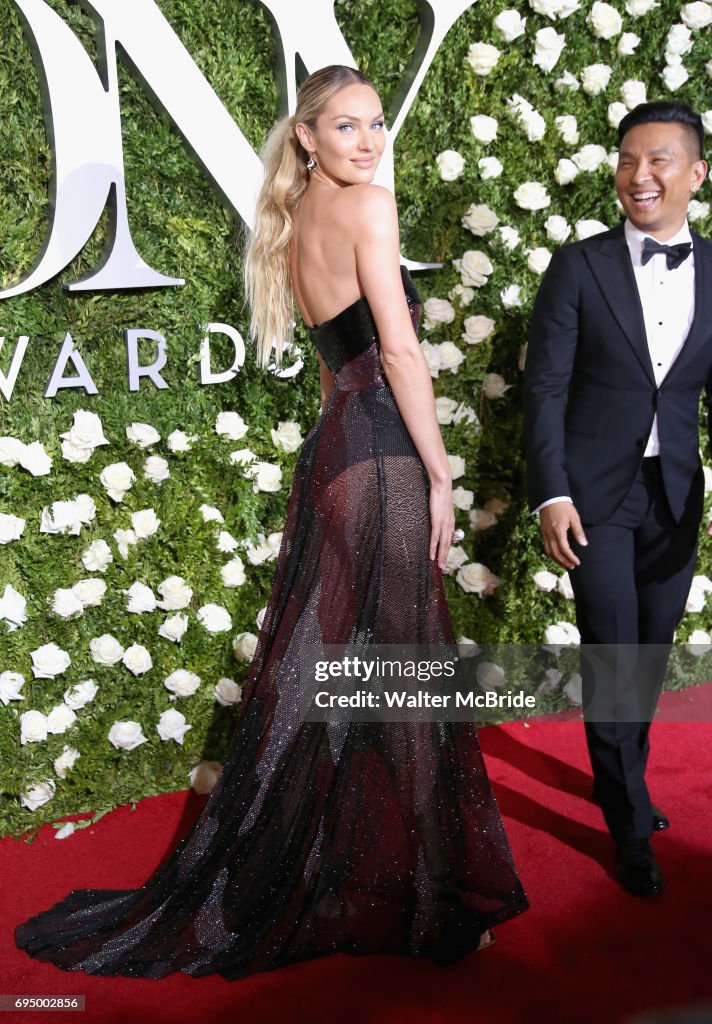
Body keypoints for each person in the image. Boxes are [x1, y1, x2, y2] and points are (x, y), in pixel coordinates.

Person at [16, 65, 527, 980]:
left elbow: (342, 374)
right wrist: (441, 477)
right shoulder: (369, 210)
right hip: (383, 465)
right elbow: (402, 352)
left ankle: (324, 862)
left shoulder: (291, 228)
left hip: (336, 459)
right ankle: (436, 899)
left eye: (375, 125)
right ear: (307, 136)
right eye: (345, 127)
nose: (368, 143)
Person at [524, 100, 710, 898]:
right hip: (594, 495)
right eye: (629, 159)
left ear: (696, 174)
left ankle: (620, 786)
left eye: (660, 159)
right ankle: (629, 825)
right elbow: (545, 388)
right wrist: (551, 494)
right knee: (611, 650)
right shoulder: (580, 264)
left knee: (648, 656)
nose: (641, 175)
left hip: (674, 493)